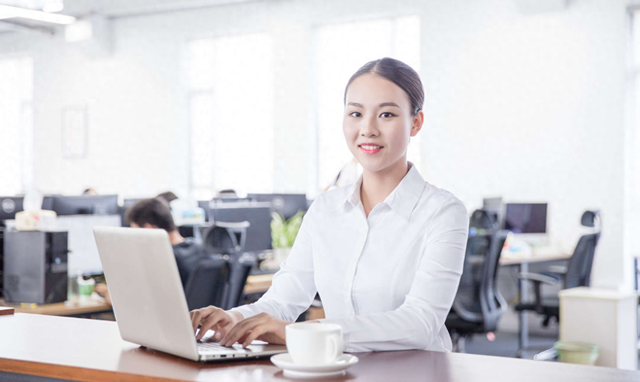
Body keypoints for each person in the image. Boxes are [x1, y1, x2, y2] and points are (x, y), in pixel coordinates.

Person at [189, 57, 469, 353]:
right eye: (356, 113)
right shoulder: (326, 208)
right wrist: (232, 318)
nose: (368, 129)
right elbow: (283, 301)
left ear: (416, 123)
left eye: (386, 114)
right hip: (338, 370)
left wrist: (301, 332)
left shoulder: (443, 212)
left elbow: (420, 323)